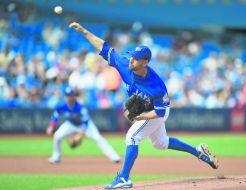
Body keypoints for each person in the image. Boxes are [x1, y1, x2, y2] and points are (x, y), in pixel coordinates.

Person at [69, 22, 219, 189]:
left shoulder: (156, 86)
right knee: (160, 143)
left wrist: (141, 117)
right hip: (149, 110)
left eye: (136, 58)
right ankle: (198, 151)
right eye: (132, 56)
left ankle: (124, 178)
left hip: (156, 111)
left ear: (145, 62)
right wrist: (84, 31)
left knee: (132, 137)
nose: (131, 60)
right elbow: (103, 47)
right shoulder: (124, 64)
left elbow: (160, 113)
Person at [46, 86, 120, 164]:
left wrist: (80, 135)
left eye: (70, 95)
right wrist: (51, 126)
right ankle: (56, 157)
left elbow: (85, 122)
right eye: (67, 95)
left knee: (98, 138)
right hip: (70, 124)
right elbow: (56, 115)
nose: (68, 97)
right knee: (57, 136)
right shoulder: (62, 106)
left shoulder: (80, 107)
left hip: (85, 125)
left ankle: (114, 157)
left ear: (73, 96)